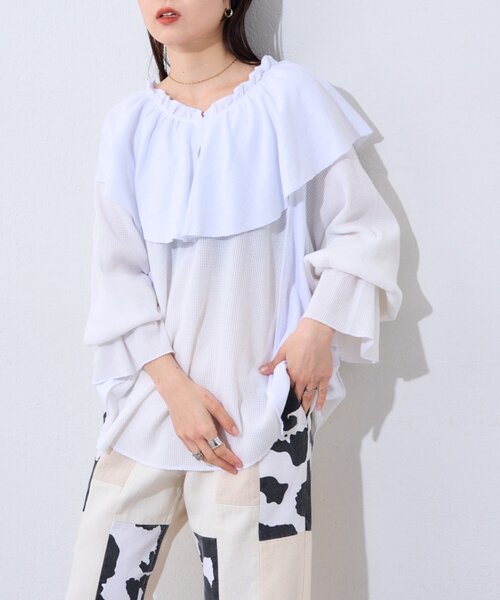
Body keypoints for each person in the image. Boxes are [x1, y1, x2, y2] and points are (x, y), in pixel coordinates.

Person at [65, 1, 403, 598]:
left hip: (264, 414)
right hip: (150, 406)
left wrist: (317, 328)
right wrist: (176, 392)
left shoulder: (289, 98)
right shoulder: (130, 124)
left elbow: (362, 231)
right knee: (97, 586)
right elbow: (117, 275)